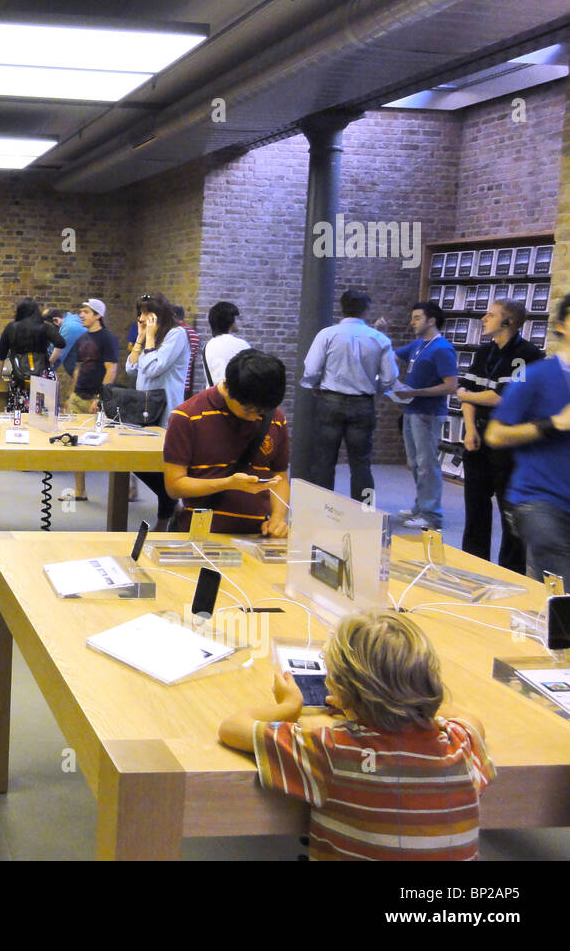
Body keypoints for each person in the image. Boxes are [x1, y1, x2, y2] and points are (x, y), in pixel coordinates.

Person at [218, 611, 493, 861]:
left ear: (341, 689)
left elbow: (232, 728)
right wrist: (395, 699)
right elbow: (471, 720)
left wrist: (288, 707)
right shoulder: (460, 745)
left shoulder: (333, 749)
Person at [485, 292, 570, 584]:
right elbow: (495, 434)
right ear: (561, 325)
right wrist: (552, 423)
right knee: (562, 584)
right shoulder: (534, 375)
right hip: (540, 499)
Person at [163, 349, 290, 536]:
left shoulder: (275, 418)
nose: (256, 417)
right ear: (228, 388)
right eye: (248, 411)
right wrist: (228, 483)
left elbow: (279, 476)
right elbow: (174, 486)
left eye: (262, 412)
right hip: (201, 535)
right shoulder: (187, 416)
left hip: (257, 538)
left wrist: (278, 519)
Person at [457, 299, 544, 572]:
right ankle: (473, 564)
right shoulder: (484, 351)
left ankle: (512, 570)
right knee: (475, 506)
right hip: (478, 439)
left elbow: (500, 397)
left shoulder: (528, 354)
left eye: (491, 315)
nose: (484, 318)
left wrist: (466, 395)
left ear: (508, 322)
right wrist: (470, 429)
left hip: (510, 444)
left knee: (511, 512)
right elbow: (468, 393)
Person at [300, 289, 398, 503]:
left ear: (342, 308)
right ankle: (365, 513)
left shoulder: (326, 334)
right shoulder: (379, 339)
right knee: (361, 462)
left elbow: (311, 369)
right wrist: (375, 389)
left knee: (324, 460)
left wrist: (315, 385)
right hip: (362, 404)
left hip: (330, 401)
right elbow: (390, 378)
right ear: (366, 310)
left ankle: (319, 510)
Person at [122, 292, 189, 522]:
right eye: (139, 313)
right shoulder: (151, 337)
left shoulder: (176, 335)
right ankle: (174, 506)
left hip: (165, 410)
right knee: (135, 462)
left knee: (161, 465)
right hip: (145, 409)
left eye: (146, 313)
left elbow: (153, 368)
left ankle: (165, 517)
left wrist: (149, 340)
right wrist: (140, 338)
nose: (141, 318)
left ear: (158, 315)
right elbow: (130, 368)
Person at [392, 301, 459, 531]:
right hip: (412, 410)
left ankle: (432, 516)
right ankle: (421, 506)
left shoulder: (442, 349)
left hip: (428, 414)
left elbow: (451, 386)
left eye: (417, 318)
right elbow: (392, 357)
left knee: (427, 464)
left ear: (431, 320)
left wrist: (416, 392)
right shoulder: (418, 345)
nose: (412, 322)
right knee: (415, 463)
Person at [61, 299, 120, 502]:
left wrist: (100, 397)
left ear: (98, 315)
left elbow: (111, 369)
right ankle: (80, 490)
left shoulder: (107, 339)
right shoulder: (82, 338)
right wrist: (71, 396)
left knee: (110, 444)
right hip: (79, 396)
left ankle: (127, 485)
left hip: (97, 399)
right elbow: (78, 369)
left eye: (86, 312)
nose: (81, 315)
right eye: (81, 311)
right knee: (75, 443)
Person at [0, 299, 66, 413]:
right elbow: (61, 343)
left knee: (20, 415)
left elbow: (1, 355)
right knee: (44, 416)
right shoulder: (44, 327)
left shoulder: (11, 328)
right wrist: (50, 361)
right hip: (42, 376)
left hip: (20, 378)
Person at [202, 301, 251, 386]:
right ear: (230, 320)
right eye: (236, 318)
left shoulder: (207, 346)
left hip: (214, 397)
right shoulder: (242, 345)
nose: (239, 321)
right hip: (235, 397)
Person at [47, 307, 86, 401]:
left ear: (56, 320)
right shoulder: (71, 322)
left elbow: (56, 355)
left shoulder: (70, 327)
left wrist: (42, 370)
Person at [172, 305, 200, 399]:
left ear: (173, 316)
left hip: (171, 382)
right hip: (186, 382)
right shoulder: (194, 335)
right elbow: (192, 359)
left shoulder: (173, 334)